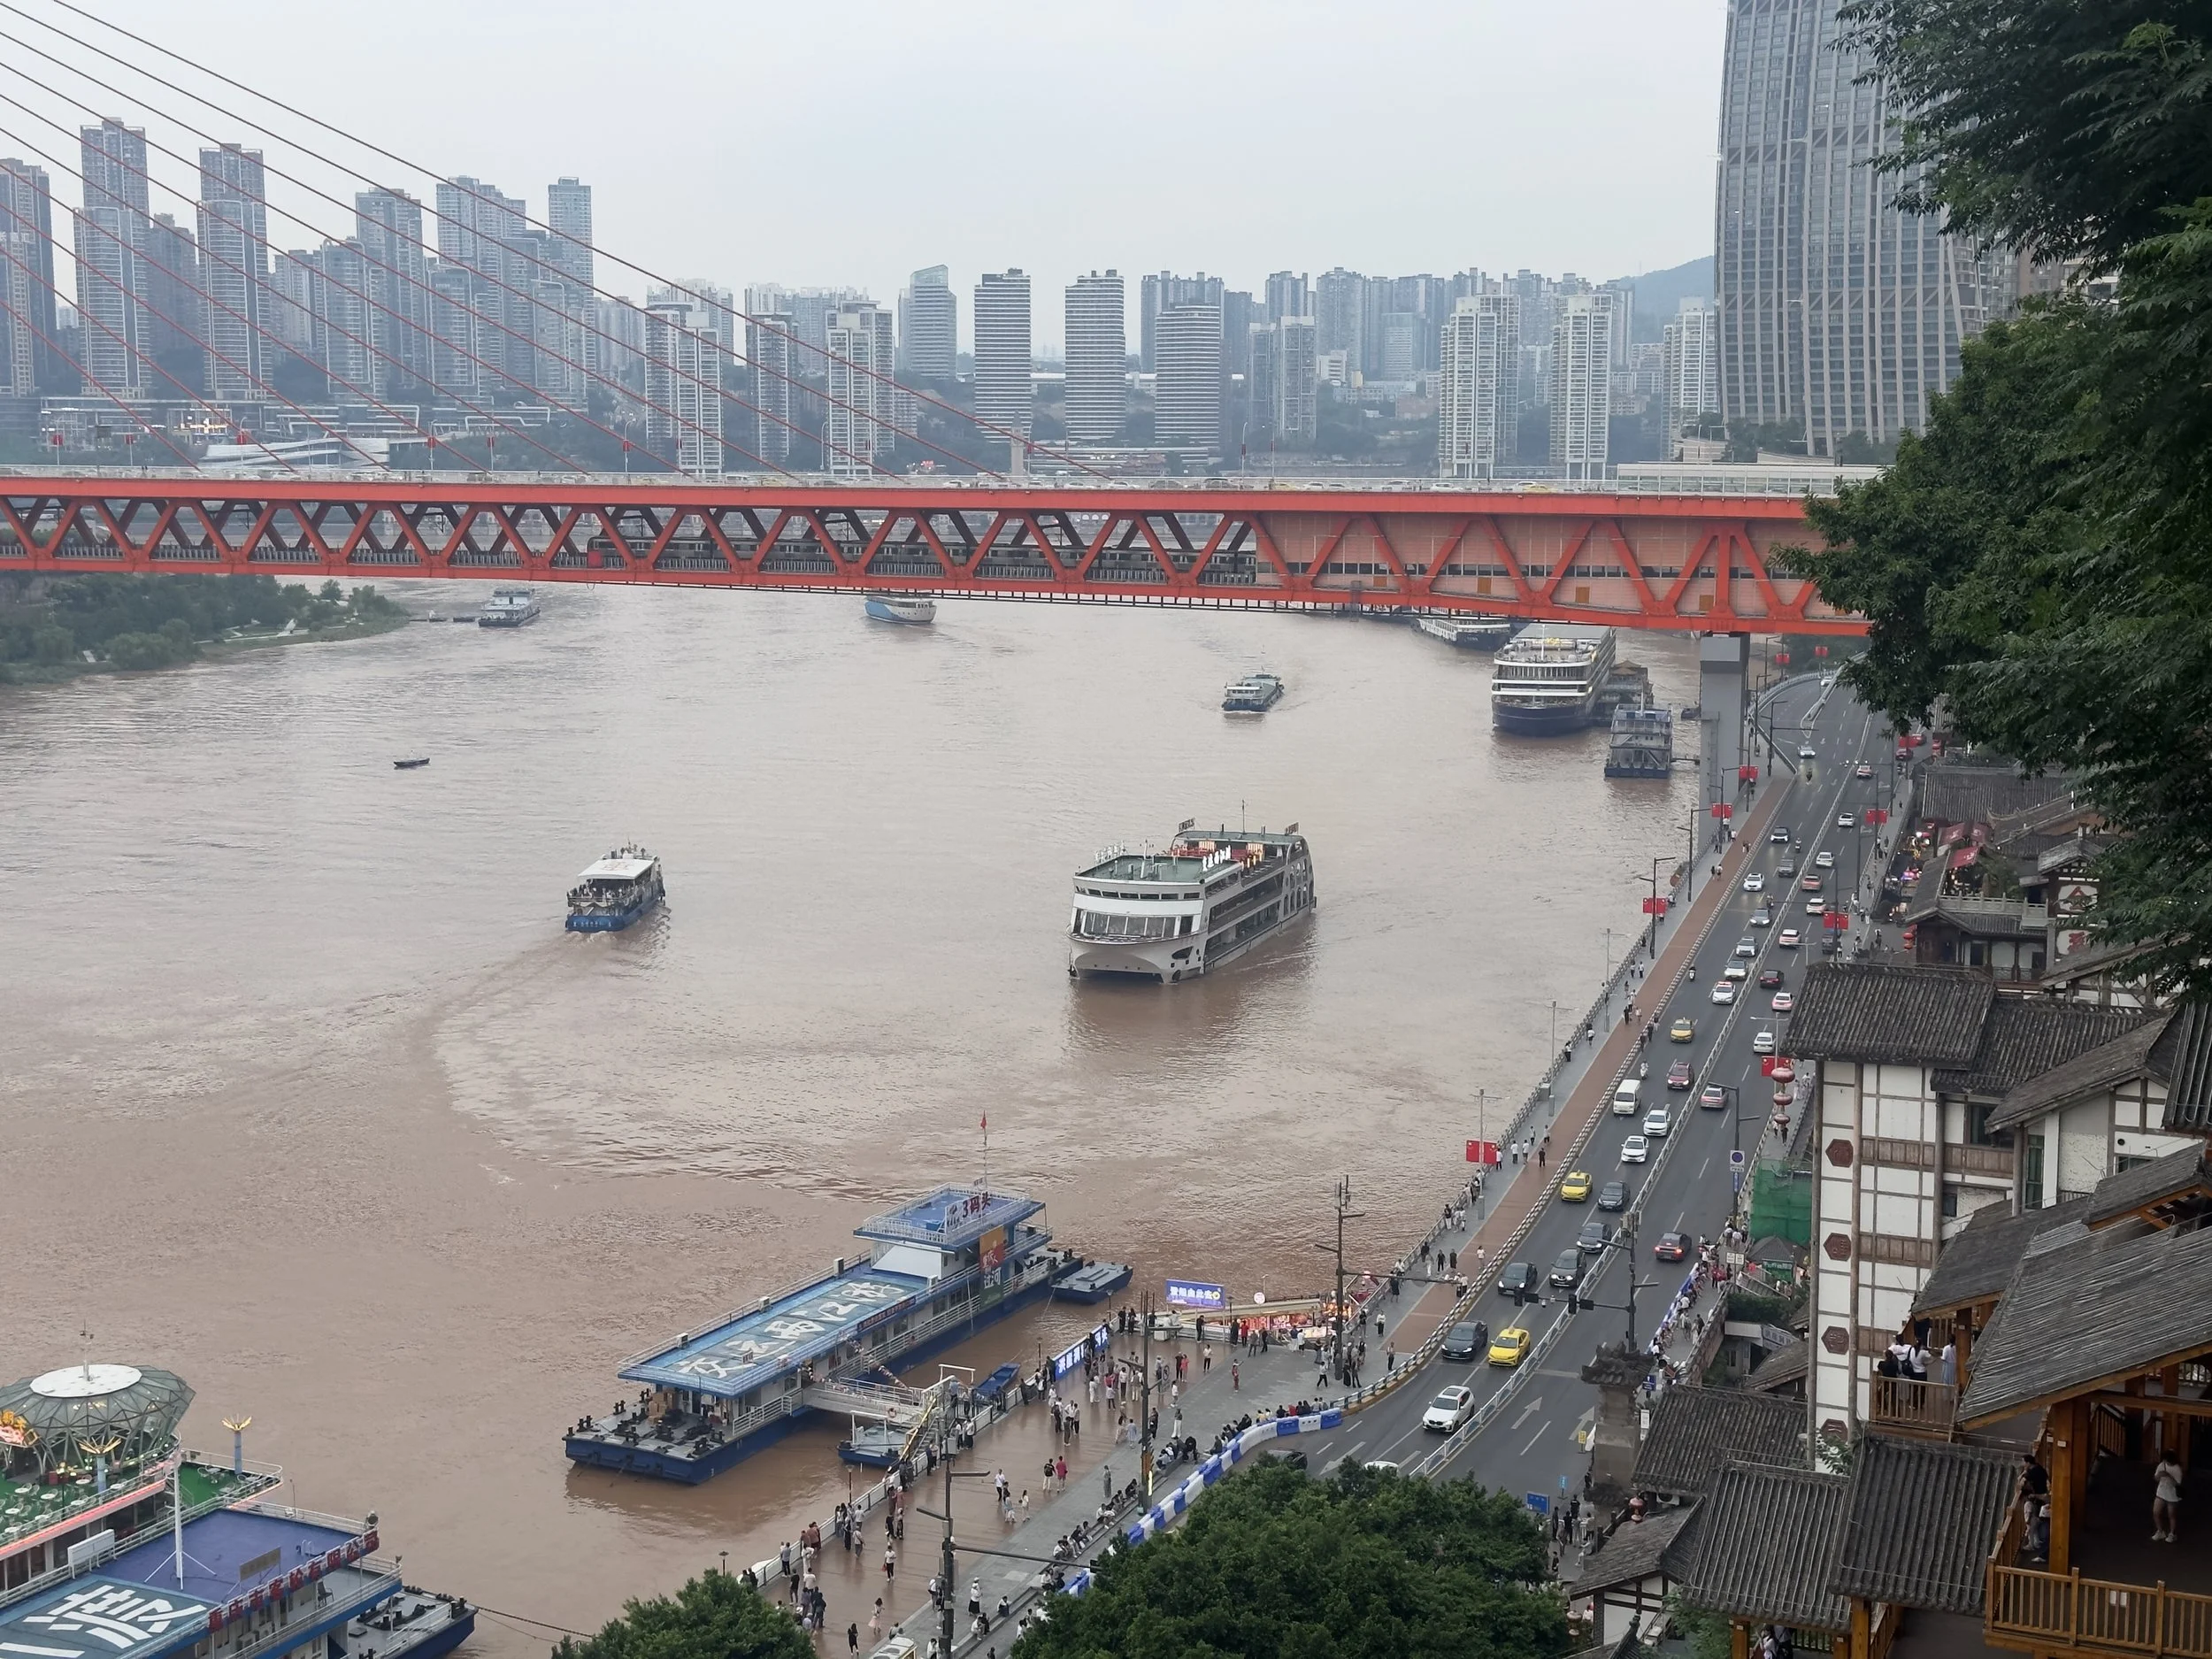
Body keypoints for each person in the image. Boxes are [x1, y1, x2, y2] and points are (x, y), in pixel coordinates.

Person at [2155, 1448, 2185, 1542]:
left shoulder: (2177, 1469)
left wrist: (2169, 1476)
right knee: (2156, 1512)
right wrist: (2160, 1475)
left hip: (2172, 1495)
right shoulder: (2162, 1465)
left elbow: (2178, 1484)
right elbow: (2156, 1478)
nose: (2166, 1462)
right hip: (2161, 1492)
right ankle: (2160, 1531)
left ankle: (2172, 1534)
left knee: (2171, 1515)